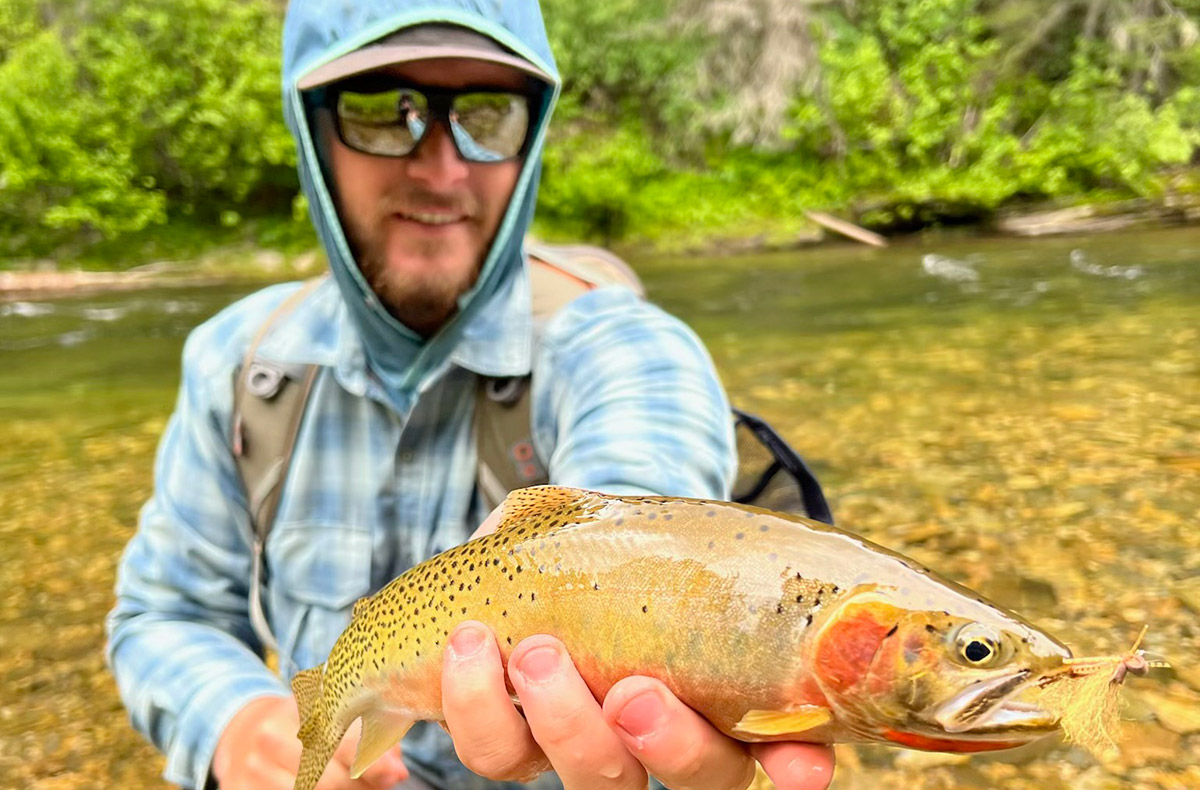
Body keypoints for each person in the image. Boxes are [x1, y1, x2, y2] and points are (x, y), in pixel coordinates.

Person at [106, 1, 836, 789]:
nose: (441, 167)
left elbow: (645, 516)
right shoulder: (233, 361)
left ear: (534, 134)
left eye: (488, 114)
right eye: (383, 113)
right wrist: (235, 721)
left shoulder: (633, 352)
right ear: (310, 132)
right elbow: (162, 614)